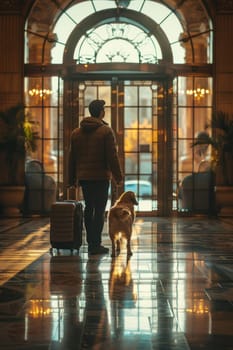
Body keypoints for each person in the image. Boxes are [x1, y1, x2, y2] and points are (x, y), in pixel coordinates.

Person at [68, 99, 123, 255]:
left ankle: (90, 242)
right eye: (104, 109)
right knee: (99, 211)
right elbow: (112, 156)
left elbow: (71, 158)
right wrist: (118, 177)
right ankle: (95, 244)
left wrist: (71, 180)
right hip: (100, 178)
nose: (104, 111)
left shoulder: (76, 133)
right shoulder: (106, 131)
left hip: (84, 178)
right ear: (100, 112)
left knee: (88, 208)